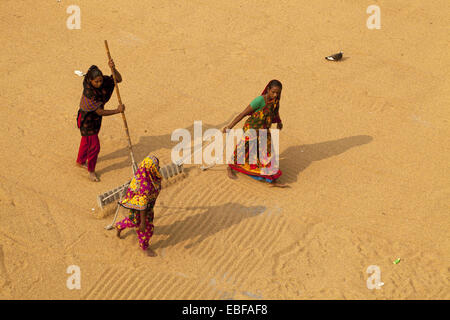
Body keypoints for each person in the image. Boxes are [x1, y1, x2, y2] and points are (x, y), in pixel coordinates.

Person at [222, 80, 286, 187]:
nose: (275, 95)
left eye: (278, 93)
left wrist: (279, 122)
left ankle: (272, 180)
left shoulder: (275, 101)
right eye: (273, 92)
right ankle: (230, 168)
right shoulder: (259, 100)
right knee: (242, 151)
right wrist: (229, 126)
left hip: (264, 130)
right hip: (251, 130)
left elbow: (275, 112)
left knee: (269, 154)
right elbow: (242, 114)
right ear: (268, 89)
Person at [75, 59, 125, 182]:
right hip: (87, 120)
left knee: (86, 141)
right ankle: (91, 170)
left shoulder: (103, 81)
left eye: (100, 80)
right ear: (90, 81)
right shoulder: (89, 93)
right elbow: (99, 111)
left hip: (94, 119)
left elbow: (118, 79)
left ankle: (80, 161)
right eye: (96, 81)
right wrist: (117, 111)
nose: (99, 83)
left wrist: (113, 68)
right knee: (94, 146)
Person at [115, 155, 162, 257]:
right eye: (156, 167)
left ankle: (119, 226)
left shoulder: (149, 176)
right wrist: (143, 222)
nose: (159, 168)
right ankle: (144, 247)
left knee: (138, 223)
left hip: (147, 206)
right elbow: (142, 205)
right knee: (144, 227)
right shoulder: (144, 185)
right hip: (141, 209)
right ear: (150, 168)